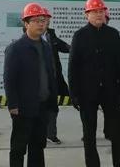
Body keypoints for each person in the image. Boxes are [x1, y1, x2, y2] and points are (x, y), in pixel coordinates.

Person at [69, 0, 120, 167]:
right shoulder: (79, 36)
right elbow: (73, 67)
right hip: (87, 94)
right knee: (89, 135)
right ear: (86, 14)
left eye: (101, 11)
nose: (99, 14)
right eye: (94, 11)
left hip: (111, 92)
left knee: (117, 133)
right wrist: (74, 94)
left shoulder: (113, 34)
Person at [5, 3, 58, 167]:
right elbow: (9, 79)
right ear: (26, 23)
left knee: (38, 147)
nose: (41, 24)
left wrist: (52, 102)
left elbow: (50, 75)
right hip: (23, 108)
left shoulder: (46, 47)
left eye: (43, 20)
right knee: (19, 148)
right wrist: (13, 104)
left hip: (42, 106)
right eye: (35, 21)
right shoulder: (16, 48)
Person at [41, 8, 70, 145]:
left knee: (53, 107)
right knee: (39, 109)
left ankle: (51, 134)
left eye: (48, 19)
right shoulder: (29, 37)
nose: (47, 21)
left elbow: (63, 46)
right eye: (44, 19)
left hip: (53, 79)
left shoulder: (51, 35)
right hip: (38, 81)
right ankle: (38, 134)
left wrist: (75, 48)